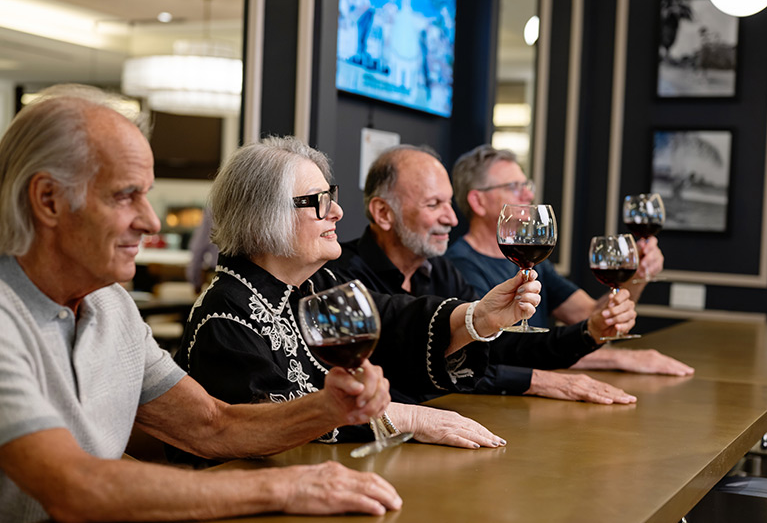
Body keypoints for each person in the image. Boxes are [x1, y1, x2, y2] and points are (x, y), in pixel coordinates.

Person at [0, 85, 405, 522]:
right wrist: (284, 486)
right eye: (124, 195)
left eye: (147, 194)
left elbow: (212, 425)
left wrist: (329, 408)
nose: (151, 220)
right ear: (48, 200)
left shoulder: (111, 305)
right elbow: (72, 487)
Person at [174, 136, 539, 464]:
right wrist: (407, 417)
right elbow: (265, 422)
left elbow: (395, 321)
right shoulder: (224, 316)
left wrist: (479, 317)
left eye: (331, 197)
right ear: (265, 216)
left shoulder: (316, 284)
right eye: (319, 201)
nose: (337, 212)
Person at [330, 144, 646, 405]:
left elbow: (501, 348)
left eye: (449, 203)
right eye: (433, 204)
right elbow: (393, 370)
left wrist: (590, 332)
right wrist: (539, 380)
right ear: (383, 213)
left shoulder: (440, 269)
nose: (452, 218)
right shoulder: (340, 277)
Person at [447, 144, 694, 376]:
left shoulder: (533, 261)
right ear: (478, 201)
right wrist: (619, 359)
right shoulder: (459, 266)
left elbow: (592, 315)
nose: (528, 193)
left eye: (527, 184)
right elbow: (503, 351)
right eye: (513, 186)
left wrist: (637, 275)